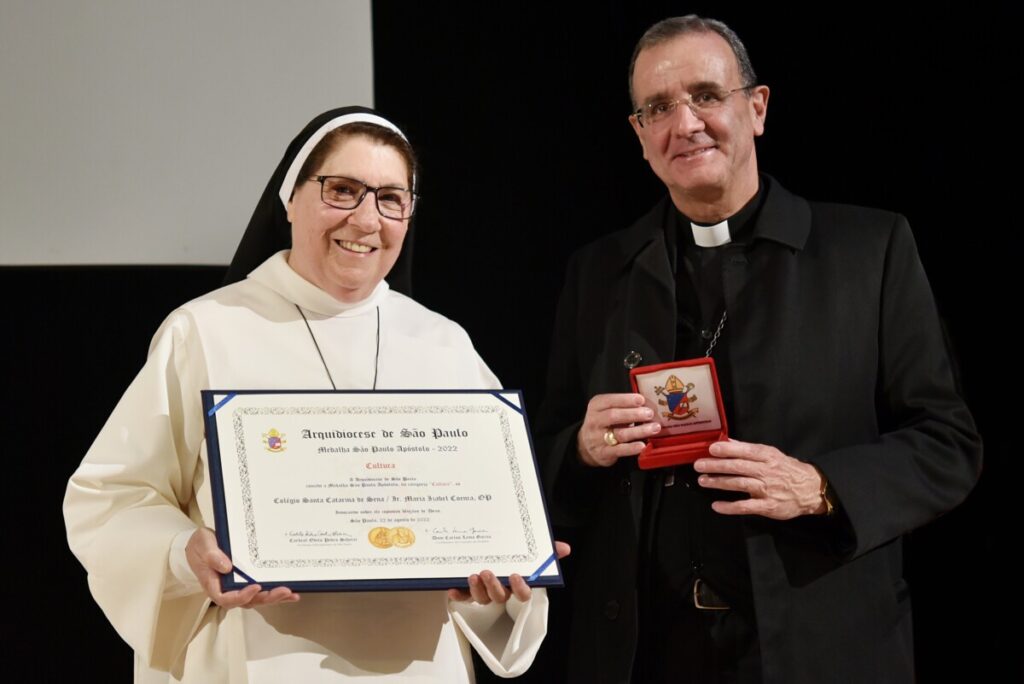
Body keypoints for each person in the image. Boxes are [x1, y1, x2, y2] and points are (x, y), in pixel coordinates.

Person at [536, 16, 981, 684]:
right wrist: (580, 447)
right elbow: (541, 449)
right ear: (639, 136)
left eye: (706, 96)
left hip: (815, 649)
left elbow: (949, 444)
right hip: (646, 654)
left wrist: (823, 487)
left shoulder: (869, 251)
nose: (683, 124)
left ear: (757, 107)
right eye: (658, 108)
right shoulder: (598, 272)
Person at [64, 106, 558, 682]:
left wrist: (506, 572)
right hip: (255, 660)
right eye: (342, 190)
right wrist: (183, 553)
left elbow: (491, 526)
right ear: (290, 199)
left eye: (391, 198)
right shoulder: (205, 330)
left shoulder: (444, 344)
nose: (366, 219)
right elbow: (110, 498)